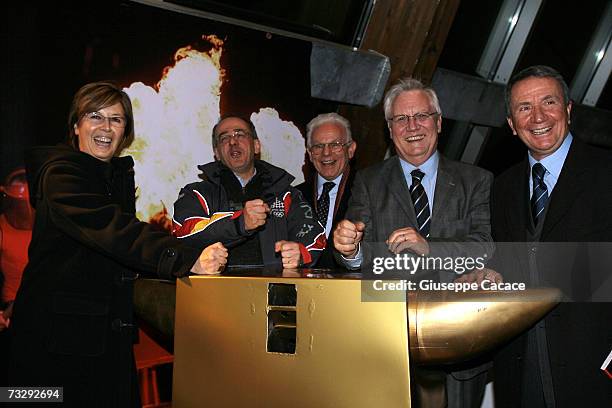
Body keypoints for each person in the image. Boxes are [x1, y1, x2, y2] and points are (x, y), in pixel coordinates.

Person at [8, 82, 228, 407]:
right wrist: (186, 258)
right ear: (76, 126)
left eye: (116, 119)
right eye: (95, 116)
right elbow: (113, 230)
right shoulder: (61, 175)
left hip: (96, 340)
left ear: (125, 131)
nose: (105, 127)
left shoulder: (109, 177)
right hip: (56, 347)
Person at [332, 78, 494, 408]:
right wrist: (349, 248)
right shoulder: (368, 180)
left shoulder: (477, 180)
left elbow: (485, 245)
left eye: (421, 116)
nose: (412, 127)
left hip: (460, 343)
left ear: (438, 121)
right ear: (390, 129)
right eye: (401, 119)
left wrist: (429, 247)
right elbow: (358, 254)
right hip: (387, 343)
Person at [491, 65, 612, 407]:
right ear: (512, 125)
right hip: (520, 368)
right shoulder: (502, 187)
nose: (538, 117)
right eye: (524, 108)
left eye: (549, 102)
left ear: (569, 110)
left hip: (596, 369)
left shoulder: (606, 172)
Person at [173, 115, 325, 269]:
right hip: (215, 290)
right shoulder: (197, 193)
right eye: (224, 138)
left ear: (256, 146)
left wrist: (300, 253)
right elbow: (183, 233)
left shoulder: (285, 194)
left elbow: (315, 236)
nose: (232, 141)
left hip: (272, 289)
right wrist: (240, 223)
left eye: (240, 134)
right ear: (217, 153)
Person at [296, 113, 356, 269]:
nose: (326, 153)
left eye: (335, 144)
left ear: (350, 149)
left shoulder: (369, 192)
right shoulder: (295, 196)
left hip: (353, 288)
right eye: (318, 146)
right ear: (309, 154)